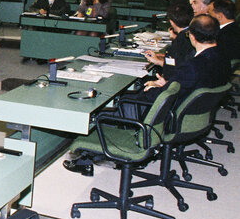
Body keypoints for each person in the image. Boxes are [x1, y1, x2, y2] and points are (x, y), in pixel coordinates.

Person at [64, 14, 228, 176]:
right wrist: (168, 84)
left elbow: (162, 97)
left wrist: (151, 88)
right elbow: (189, 84)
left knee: (119, 99)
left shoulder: (193, 66)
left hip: (172, 116)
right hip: (193, 113)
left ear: (192, 37)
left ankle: (102, 154)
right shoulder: (222, 58)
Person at [143, 2, 193, 80]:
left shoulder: (180, 41)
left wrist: (157, 61)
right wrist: (164, 56)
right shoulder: (191, 34)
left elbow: (174, 68)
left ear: (171, 22)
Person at [208, 0, 240, 73]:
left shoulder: (222, 36)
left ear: (219, 16)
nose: (207, 15)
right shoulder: (236, 30)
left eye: (209, 12)